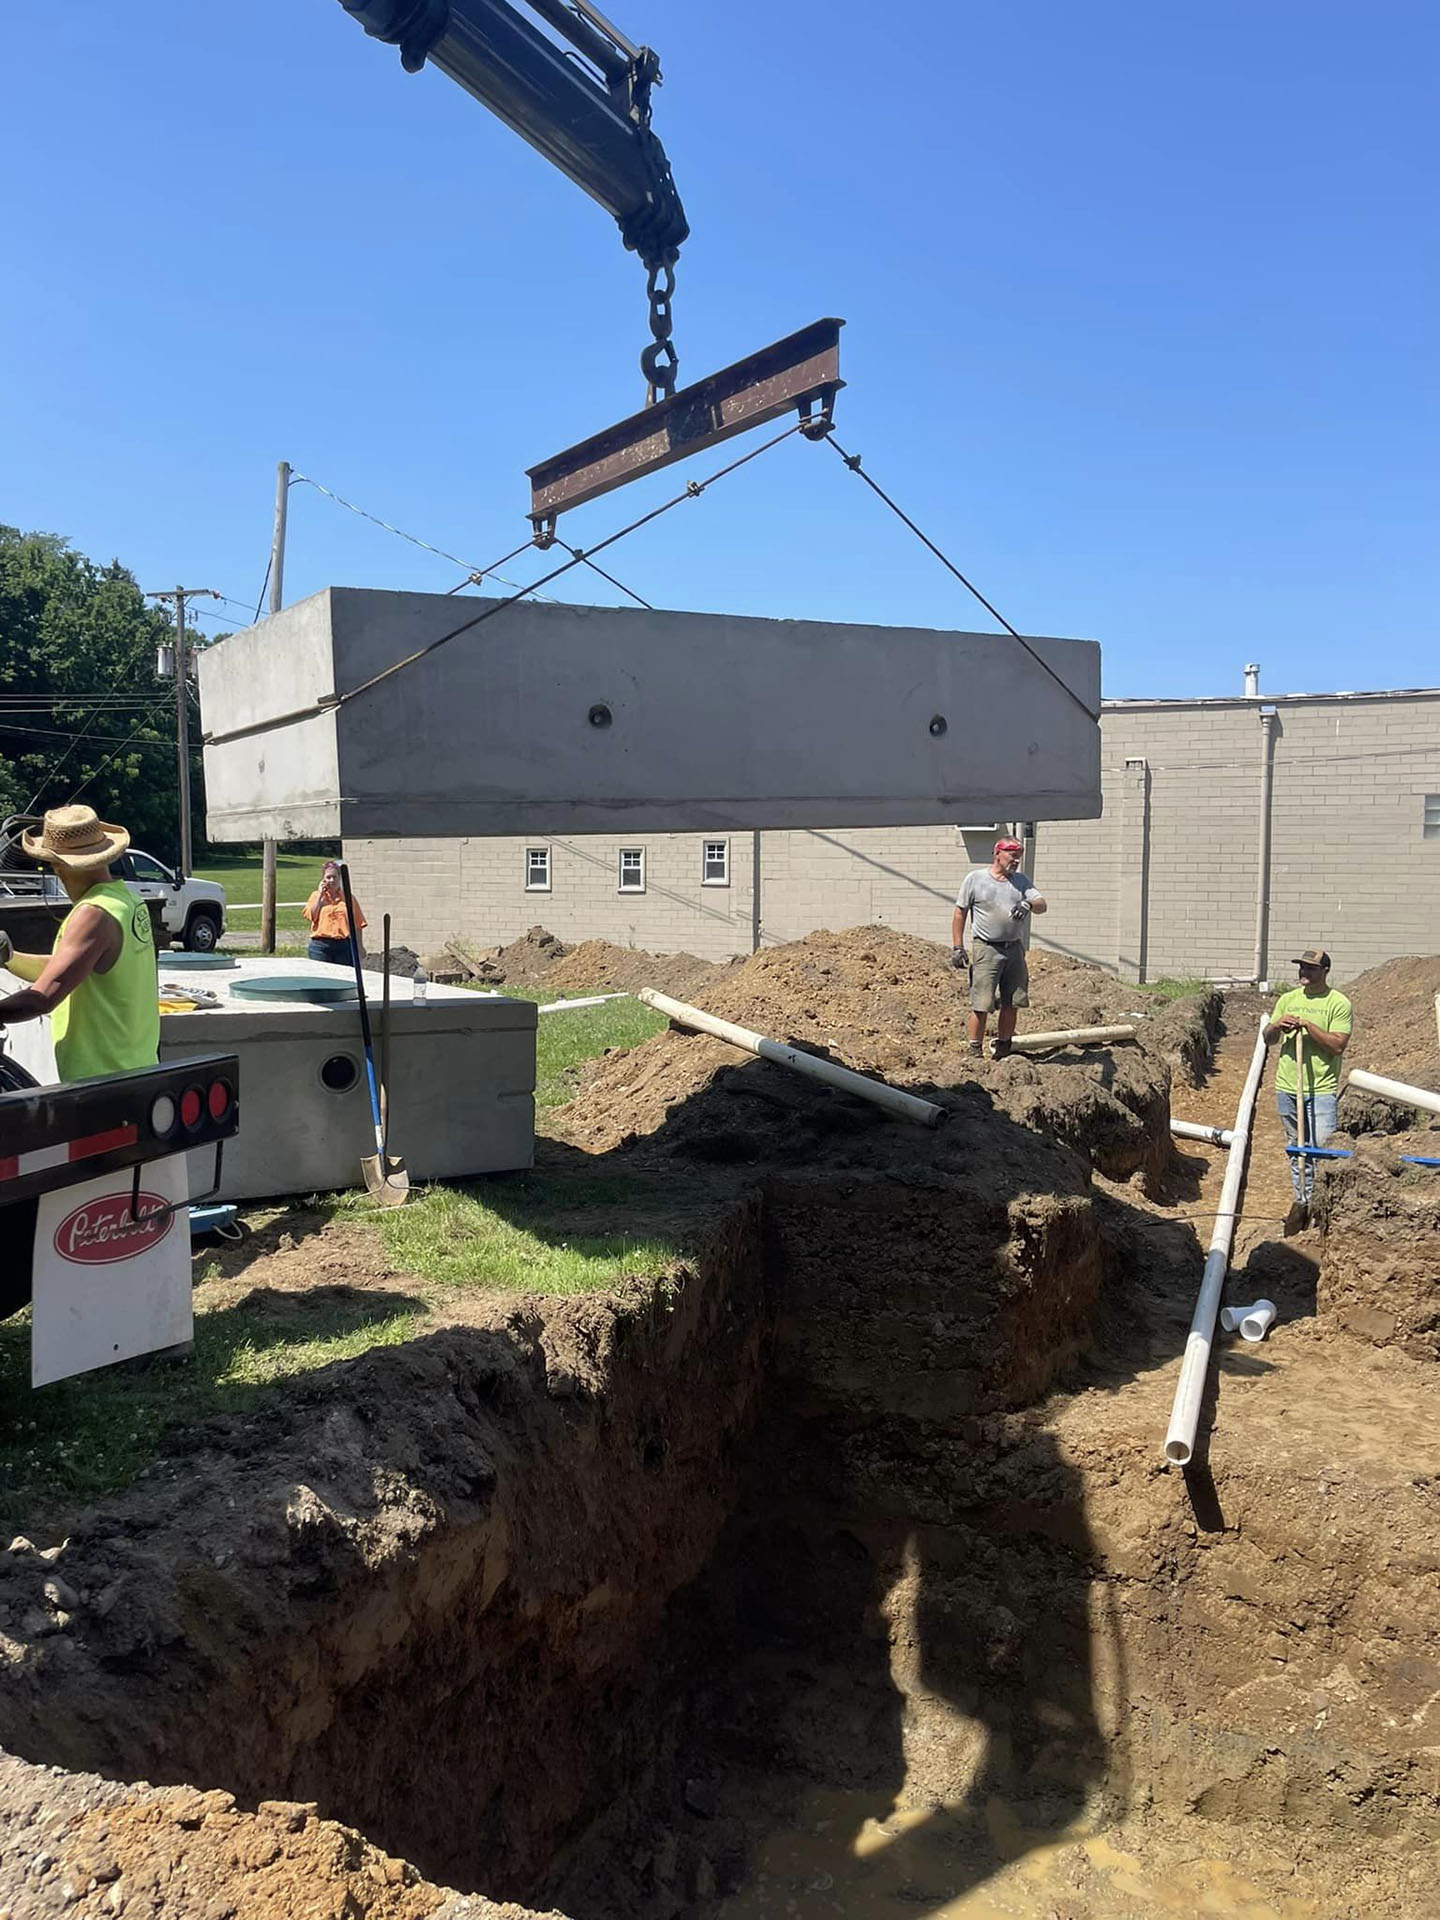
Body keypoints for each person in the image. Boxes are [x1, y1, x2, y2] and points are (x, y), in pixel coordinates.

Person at [0, 805, 159, 1080]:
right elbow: (65, 970)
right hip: (135, 1067)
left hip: (103, 1079)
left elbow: (42, 999)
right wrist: (10, 958)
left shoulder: (93, 914)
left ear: (59, 865)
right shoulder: (127, 902)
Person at [1263, 947, 1352, 1209]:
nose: (1304, 972)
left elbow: (1337, 1046)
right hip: (1287, 1086)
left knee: (1322, 1149)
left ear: (1325, 971)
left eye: (1311, 968)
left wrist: (1308, 1026)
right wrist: (1277, 1025)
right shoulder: (1288, 999)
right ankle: (1301, 1199)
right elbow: (1268, 1039)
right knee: (1295, 1146)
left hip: (1321, 1089)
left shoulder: (1338, 1003)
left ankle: (1322, 1204)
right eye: (1302, 967)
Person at [952, 838, 1047, 1060]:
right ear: (997, 854)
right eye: (1011, 855)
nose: (1016, 860)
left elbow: (1042, 905)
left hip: (1014, 949)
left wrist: (1028, 904)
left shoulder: (1021, 882)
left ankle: (1004, 1048)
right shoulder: (975, 880)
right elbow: (960, 913)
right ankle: (975, 1050)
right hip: (986, 949)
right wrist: (958, 946)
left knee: (1012, 1001)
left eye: (1018, 856)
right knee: (982, 1002)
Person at [303, 860, 365, 965]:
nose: (331, 880)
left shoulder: (348, 898)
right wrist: (320, 896)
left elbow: (357, 925)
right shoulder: (315, 896)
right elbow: (312, 916)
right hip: (320, 946)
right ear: (323, 879)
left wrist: (359, 947)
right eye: (328, 877)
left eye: (334, 877)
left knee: (343, 977)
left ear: (339, 878)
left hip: (343, 946)